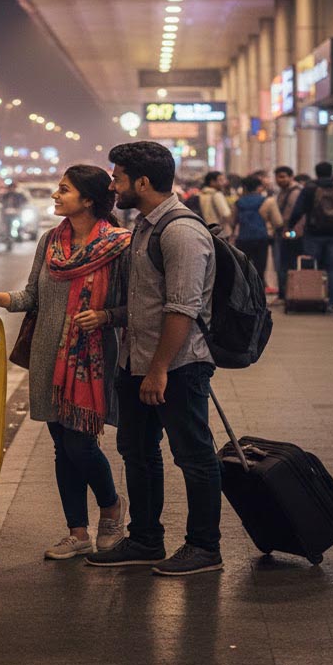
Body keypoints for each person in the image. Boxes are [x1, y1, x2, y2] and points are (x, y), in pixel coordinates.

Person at [0, 165, 130, 560]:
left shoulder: (119, 245)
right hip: (47, 357)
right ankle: (77, 532)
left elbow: (136, 305)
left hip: (92, 358)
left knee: (80, 445)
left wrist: (106, 316)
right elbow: (31, 297)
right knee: (61, 446)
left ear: (88, 199)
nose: (55, 195)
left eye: (64, 189)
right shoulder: (51, 241)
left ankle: (110, 508)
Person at [87, 141, 222, 577]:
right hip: (137, 359)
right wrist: (108, 317)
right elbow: (147, 301)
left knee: (194, 455)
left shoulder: (181, 232)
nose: (113, 185)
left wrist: (159, 369)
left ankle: (204, 546)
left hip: (177, 366)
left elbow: (182, 307)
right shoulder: (146, 226)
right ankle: (146, 539)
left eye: (118, 177)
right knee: (137, 450)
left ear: (142, 182)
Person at [289, 162, 333, 313]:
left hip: (313, 234)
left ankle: (312, 298)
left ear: (316, 172)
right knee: (332, 268)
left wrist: (290, 226)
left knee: (312, 267)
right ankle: (331, 302)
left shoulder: (309, 189)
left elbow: (297, 211)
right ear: (331, 172)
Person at [272, 167, 303, 301]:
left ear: (291, 177)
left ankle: (288, 293)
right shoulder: (283, 192)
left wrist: (293, 232)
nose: (280, 179)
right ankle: (285, 293)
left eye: (283, 176)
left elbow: (294, 214)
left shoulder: (296, 192)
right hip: (285, 232)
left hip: (291, 233)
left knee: (287, 263)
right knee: (283, 264)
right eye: (278, 177)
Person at [233, 175, 272, 282]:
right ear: (259, 187)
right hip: (261, 237)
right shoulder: (265, 201)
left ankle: (246, 293)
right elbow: (277, 221)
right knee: (260, 268)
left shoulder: (239, 202)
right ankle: (260, 292)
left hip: (243, 238)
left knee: (244, 268)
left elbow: (233, 220)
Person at [199, 171, 232, 239]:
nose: (223, 183)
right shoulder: (217, 195)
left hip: (204, 231)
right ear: (212, 182)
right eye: (220, 180)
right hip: (219, 232)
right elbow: (226, 214)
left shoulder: (201, 194)